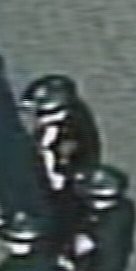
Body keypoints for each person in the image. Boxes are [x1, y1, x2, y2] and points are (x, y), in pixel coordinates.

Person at [19, 75, 102, 232]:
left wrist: (57, 177)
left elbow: (61, 158)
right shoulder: (69, 117)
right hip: (66, 178)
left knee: (65, 210)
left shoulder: (67, 132)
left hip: (67, 182)